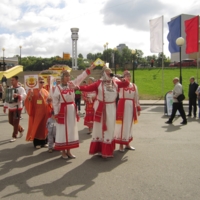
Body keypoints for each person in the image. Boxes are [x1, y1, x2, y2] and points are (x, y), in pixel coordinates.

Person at [78, 66, 129, 158]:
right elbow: (88, 87)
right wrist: (78, 87)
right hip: (101, 108)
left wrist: (122, 78)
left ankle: (107, 150)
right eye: (107, 72)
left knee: (109, 127)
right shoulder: (99, 83)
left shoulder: (116, 82)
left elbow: (126, 84)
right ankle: (99, 149)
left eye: (110, 72)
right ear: (104, 73)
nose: (110, 74)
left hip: (111, 108)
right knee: (99, 128)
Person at [52, 64, 96, 159]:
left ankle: (69, 151)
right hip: (62, 110)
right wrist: (56, 113)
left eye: (68, 76)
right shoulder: (58, 88)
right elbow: (55, 101)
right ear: (62, 77)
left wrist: (90, 68)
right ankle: (63, 151)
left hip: (71, 109)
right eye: (66, 76)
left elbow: (82, 76)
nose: (68, 78)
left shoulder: (73, 84)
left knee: (71, 129)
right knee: (63, 130)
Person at [114, 70, 141, 152]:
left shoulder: (134, 86)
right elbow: (114, 80)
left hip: (131, 105)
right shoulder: (120, 84)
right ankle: (121, 145)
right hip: (123, 105)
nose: (128, 77)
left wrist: (138, 108)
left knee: (129, 125)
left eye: (129, 75)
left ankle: (127, 143)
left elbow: (136, 97)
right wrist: (120, 78)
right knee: (122, 125)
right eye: (126, 75)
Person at [25, 76, 53, 148]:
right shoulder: (32, 91)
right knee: (37, 127)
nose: (42, 83)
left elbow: (49, 102)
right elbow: (28, 101)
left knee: (45, 127)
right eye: (40, 82)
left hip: (45, 112)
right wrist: (30, 97)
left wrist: (50, 101)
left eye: (43, 82)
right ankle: (37, 143)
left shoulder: (45, 91)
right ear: (37, 82)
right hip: (37, 113)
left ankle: (44, 142)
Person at [3, 76, 26, 142]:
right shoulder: (9, 88)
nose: (11, 81)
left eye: (13, 80)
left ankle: (14, 136)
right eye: (11, 80)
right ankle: (21, 129)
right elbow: (7, 98)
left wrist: (18, 96)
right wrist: (5, 106)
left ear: (16, 81)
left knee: (16, 122)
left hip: (17, 107)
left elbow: (24, 95)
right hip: (10, 107)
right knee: (10, 121)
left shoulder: (21, 88)